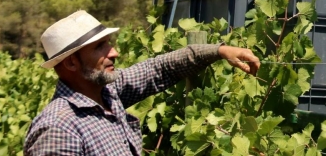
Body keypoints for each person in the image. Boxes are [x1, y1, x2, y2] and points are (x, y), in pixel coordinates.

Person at [24, 10, 260, 155]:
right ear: (71, 63)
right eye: (100, 47)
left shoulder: (108, 93)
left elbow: (160, 68)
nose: (114, 52)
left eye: (109, 43)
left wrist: (219, 50)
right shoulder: (58, 128)